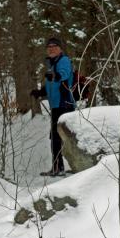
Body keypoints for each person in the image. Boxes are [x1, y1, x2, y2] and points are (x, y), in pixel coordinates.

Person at [30, 37, 75, 177]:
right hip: (56, 105)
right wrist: (41, 92)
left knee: (57, 137)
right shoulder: (52, 64)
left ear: (60, 48)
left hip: (64, 104)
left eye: (54, 46)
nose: (51, 48)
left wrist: (55, 75)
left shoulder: (63, 61)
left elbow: (64, 74)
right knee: (56, 137)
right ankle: (58, 167)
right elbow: (52, 84)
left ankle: (59, 168)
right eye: (49, 47)